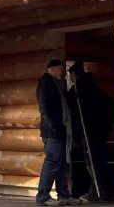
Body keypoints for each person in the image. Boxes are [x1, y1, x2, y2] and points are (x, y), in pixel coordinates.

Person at [67, 63, 114, 202]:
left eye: (71, 75)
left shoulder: (78, 90)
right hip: (100, 131)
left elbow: (75, 114)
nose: (70, 79)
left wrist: (76, 134)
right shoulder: (95, 86)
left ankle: (97, 191)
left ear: (74, 74)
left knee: (92, 162)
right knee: (100, 160)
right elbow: (111, 106)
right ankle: (103, 190)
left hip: (88, 132)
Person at [36, 59, 82, 206]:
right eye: (60, 69)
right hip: (53, 132)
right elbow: (44, 108)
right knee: (52, 163)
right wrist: (54, 127)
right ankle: (43, 197)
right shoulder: (46, 84)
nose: (62, 73)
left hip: (61, 131)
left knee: (63, 164)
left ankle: (63, 195)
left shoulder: (57, 85)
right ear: (52, 69)